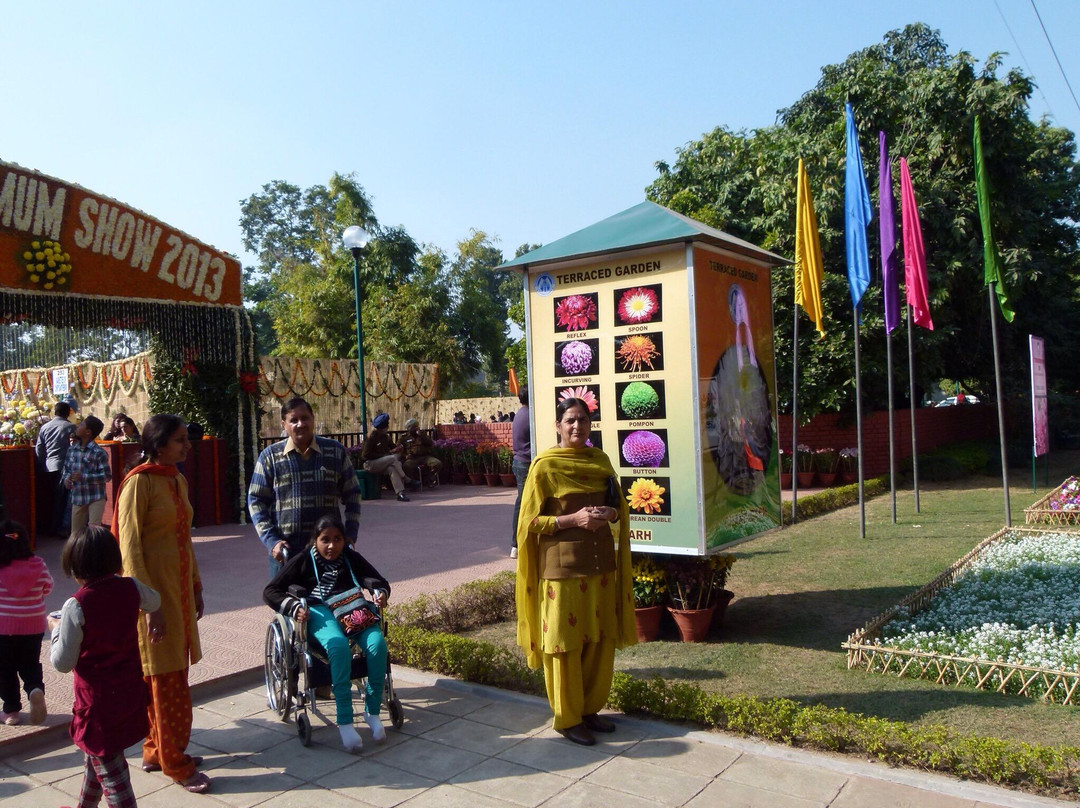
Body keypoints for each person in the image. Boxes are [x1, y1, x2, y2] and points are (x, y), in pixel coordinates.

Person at [515, 397, 635, 747]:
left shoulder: (600, 461)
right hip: (562, 569)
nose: (577, 426)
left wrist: (611, 514)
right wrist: (573, 519)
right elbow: (529, 523)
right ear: (558, 425)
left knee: (598, 638)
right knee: (564, 643)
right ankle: (568, 718)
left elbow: (618, 505)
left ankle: (589, 709)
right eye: (570, 420)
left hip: (599, 564)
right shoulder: (545, 467)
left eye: (583, 420)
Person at [114, 414, 210, 794]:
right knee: (163, 679)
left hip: (178, 593)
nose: (187, 446)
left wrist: (196, 585)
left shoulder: (176, 479)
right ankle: (176, 763)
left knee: (172, 674)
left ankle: (156, 750)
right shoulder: (138, 484)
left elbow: (184, 539)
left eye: (187, 439)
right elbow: (129, 550)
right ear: (158, 445)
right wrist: (149, 604)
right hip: (153, 600)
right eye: (180, 440)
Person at [49, 525, 161, 807]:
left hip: (97, 705)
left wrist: (56, 629)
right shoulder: (130, 587)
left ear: (75, 567)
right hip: (128, 693)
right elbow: (155, 600)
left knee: (112, 773)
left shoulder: (76, 605)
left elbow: (62, 662)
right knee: (97, 760)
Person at [263, 513, 390, 753]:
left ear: (344, 540)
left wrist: (380, 592)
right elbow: (270, 591)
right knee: (338, 646)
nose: (332, 546)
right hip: (319, 611)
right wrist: (295, 608)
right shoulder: (303, 560)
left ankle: (372, 712)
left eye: (337, 539)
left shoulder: (350, 558)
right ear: (315, 540)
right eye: (325, 540)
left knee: (377, 644)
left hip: (352, 609)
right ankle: (345, 722)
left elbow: (378, 580)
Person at [249, 397, 364, 576]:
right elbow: (256, 500)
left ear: (313, 419)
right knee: (285, 594)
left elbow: (353, 494)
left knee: (331, 593)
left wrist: (349, 535)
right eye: (293, 420)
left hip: (329, 550)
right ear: (284, 425)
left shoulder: (334, 451)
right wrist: (272, 541)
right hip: (286, 552)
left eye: (305, 418)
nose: (300, 424)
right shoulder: (270, 457)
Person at [0, 520, 52, 726]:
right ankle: (34, 689)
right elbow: (48, 587)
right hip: (33, 626)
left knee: (5, 669)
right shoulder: (38, 564)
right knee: (30, 663)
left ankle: (11, 711)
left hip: (4, 628)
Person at [61, 416, 109, 540]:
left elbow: (106, 476)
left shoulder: (99, 452)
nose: (77, 427)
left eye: (81, 425)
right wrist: (66, 479)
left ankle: (94, 551)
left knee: (94, 530)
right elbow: (66, 469)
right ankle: (77, 552)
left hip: (96, 497)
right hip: (78, 496)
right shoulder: (71, 450)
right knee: (75, 534)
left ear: (88, 432)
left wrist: (84, 477)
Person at [34, 400, 76, 536]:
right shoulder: (70, 427)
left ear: (55, 412)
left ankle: (48, 528)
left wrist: (42, 464)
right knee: (62, 500)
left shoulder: (45, 427)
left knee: (50, 499)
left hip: (48, 467)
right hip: (64, 467)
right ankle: (59, 528)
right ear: (68, 413)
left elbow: (39, 449)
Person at [360, 413, 410, 502]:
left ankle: (400, 493)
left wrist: (398, 449)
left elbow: (393, 447)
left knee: (392, 468)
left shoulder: (386, 437)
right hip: (370, 464)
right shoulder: (371, 437)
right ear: (381, 428)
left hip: (383, 464)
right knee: (392, 458)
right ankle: (406, 478)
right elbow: (365, 455)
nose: (387, 428)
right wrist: (384, 455)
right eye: (386, 427)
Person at [509, 386, 531, 560]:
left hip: (519, 461)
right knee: (523, 503)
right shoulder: (530, 415)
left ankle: (517, 544)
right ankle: (516, 544)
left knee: (521, 501)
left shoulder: (520, 413)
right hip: (525, 463)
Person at [397, 418, 442, 488]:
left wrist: (421, 436)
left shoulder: (423, 434)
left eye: (416, 426)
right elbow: (399, 449)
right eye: (413, 427)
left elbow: (430, 443)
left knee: (437, 463)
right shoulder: (404, 437)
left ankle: (429, 479)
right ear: (409, 428)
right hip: (412, 458)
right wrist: (405, 456)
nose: (416, 428)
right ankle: (413, 483)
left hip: (425, 457)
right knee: (407, 466)